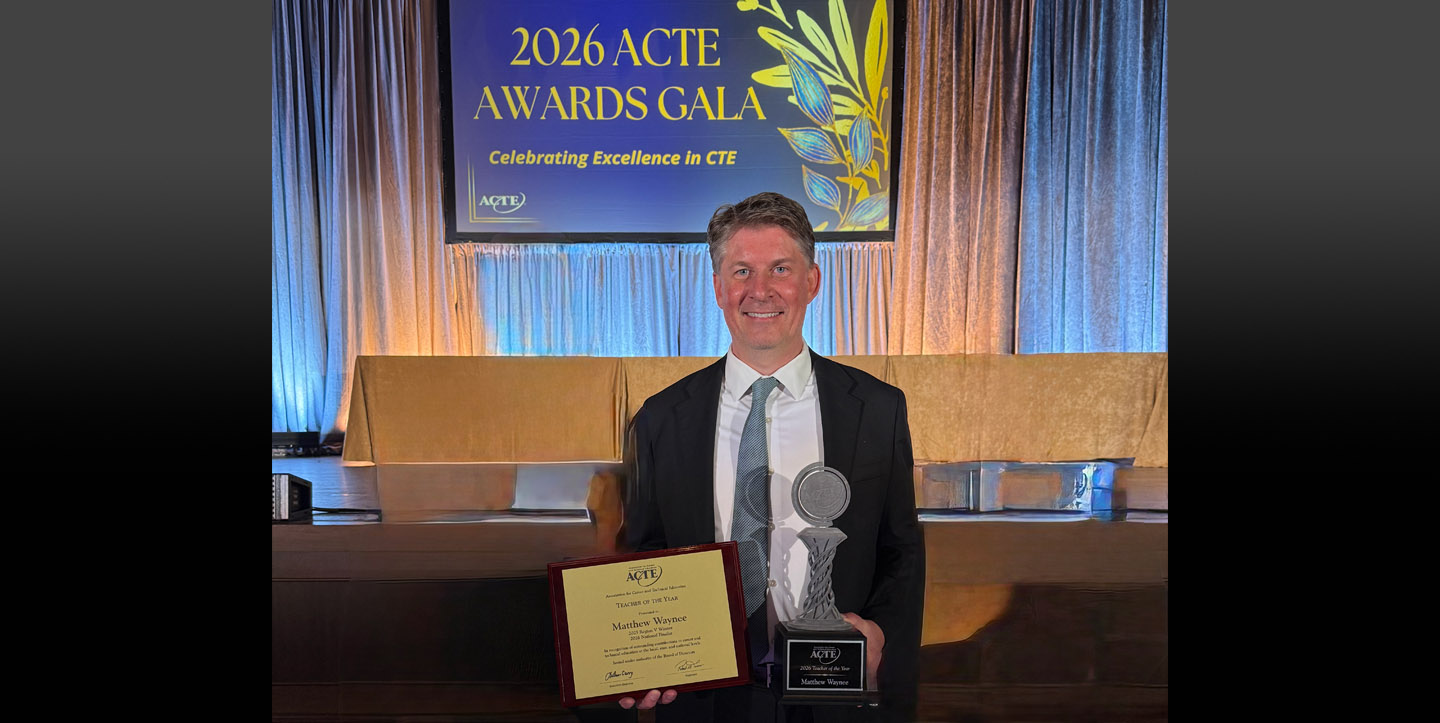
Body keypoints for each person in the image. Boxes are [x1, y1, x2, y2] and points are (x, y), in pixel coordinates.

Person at [620, 191, 925, 722]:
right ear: (718, 287)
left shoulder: (876, 409)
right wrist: (640, 656)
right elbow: (645, 553)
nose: (759, 291)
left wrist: (882, 636)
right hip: (703, 699)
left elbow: (900, 550)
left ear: (811, 281)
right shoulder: (661, 418)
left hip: (835, 690)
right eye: (741, 271)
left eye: (780, 269)